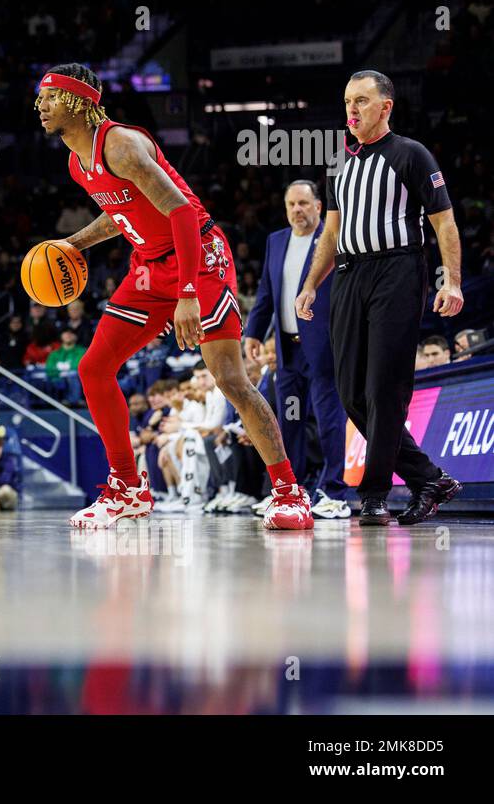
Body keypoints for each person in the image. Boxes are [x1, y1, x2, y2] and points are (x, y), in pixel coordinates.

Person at [35, 63, 309, 529]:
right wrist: (73, 244)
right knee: (93, 367)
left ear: (79, 102)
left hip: (198, 255)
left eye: (50, 97)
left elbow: (180, 212)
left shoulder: (120, 145)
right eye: (40, 98)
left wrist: (185, 294)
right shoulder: (76, 162)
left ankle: (288, 492)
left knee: (229, 378)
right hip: (148, 265)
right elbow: (123, 215)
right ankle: (127, 488)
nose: (40, 106)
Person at [296, 70, 465, 526]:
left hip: (398, 271)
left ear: (385, 107)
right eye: (348, 101)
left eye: (363, 101)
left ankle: (373, 495)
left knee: (384, 391)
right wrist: (311, 283)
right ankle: (429, 478)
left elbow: (444, 223)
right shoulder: (338, 164)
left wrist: (451, 280)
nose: (352, 109)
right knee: (351, 393)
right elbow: (330, 232)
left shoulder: (411, 154)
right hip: (349, 275)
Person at [243, 180, 351, 520]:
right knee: (289, 420)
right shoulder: (276, 241)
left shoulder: (333, 238)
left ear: (319, 206)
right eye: (291, 204)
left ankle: (335, 492)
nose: (297, 210)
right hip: (287, 350)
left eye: (304, 203)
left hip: (323, 347)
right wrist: (254, 333)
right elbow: (265, 293)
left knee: (328, 419)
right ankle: (291, 492)